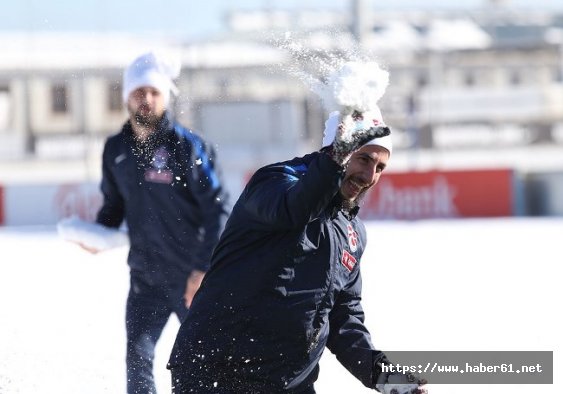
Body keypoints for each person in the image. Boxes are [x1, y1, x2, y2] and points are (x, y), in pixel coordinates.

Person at [168, 107, 427, 394]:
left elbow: (343, 318)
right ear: (336, 149)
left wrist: (387, 377)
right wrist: (333, 163)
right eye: (363, 158)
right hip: (219, 370)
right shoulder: (275, 181)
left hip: (287, 381)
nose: (369, 175)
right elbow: (295, 208)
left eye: (380, 167)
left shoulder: (352, 232)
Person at [76, 51, 230, 394]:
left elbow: (218, 209)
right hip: (145, 277)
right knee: (138, 359)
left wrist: (203, 269)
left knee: (204, 362)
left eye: (154, 92)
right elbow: (113, 207)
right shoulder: (115, 149)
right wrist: (97, 234)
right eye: (138, 92)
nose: (146, 99)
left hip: (191, 278)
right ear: (127, 97)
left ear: (165, 96)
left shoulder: (187, 147)